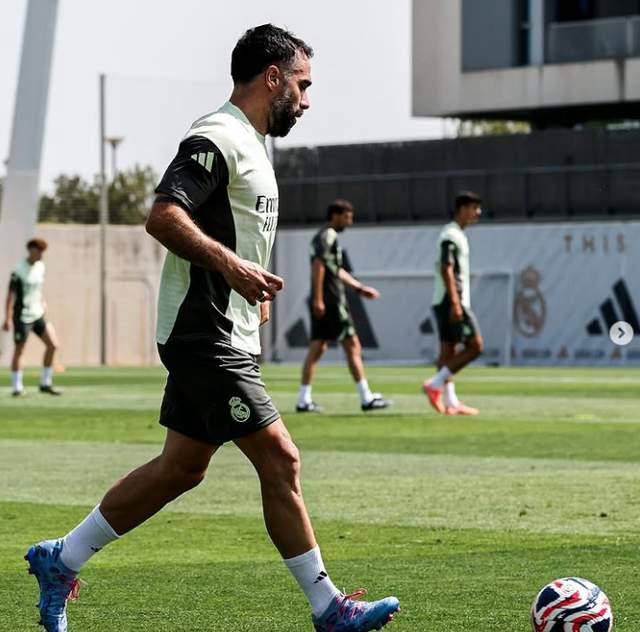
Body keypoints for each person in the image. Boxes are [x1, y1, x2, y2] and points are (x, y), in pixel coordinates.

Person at [24, 25, 399, 632]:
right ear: (273, 77)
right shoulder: (216, 136)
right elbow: (163, 215)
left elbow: (235, 233)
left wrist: (250, 288)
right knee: (281, 458)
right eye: (303, 85)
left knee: (182, 468)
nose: (307, 100)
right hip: (204, 333)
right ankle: (329, 607)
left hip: (227, 328)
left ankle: (60, 558)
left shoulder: (253, 146)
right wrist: (232, 268)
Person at [296, 199, 391, 412]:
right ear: (335, 216)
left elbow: (335, 270)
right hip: (331, 301)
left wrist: (359, 288)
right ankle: (366, 398)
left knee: (318, 348)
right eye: (347, 217)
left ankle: (303, 400)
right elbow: (319, 265)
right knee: (352, 345)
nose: (350, 222)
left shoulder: (325, 236)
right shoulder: (327, 235)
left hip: (325, 300)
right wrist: (319, 298)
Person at [423, 191, 484, 415]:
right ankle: (435, 384)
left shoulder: (456, 234)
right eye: (474, 208)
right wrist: (456, 303)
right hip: (451, 300)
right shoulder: (450, 235)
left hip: (446, 300)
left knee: (448, 350)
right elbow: (446, 268)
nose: (478, 212)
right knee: (475, 346)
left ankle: (451, 402)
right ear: (462, 209)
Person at [2, 238, 61, 396]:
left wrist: (42, 301)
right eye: (39, 251)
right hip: (22, 316)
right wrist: (7, 318)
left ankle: (45, 383)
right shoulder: (18, 271)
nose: (41, 254)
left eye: (43, 251)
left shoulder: (41, 267)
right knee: (20, 350)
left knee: (53, 345)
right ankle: (17, 387)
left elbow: (37, 289)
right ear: (31, 250)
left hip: (37, 314)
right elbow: (10, 296)